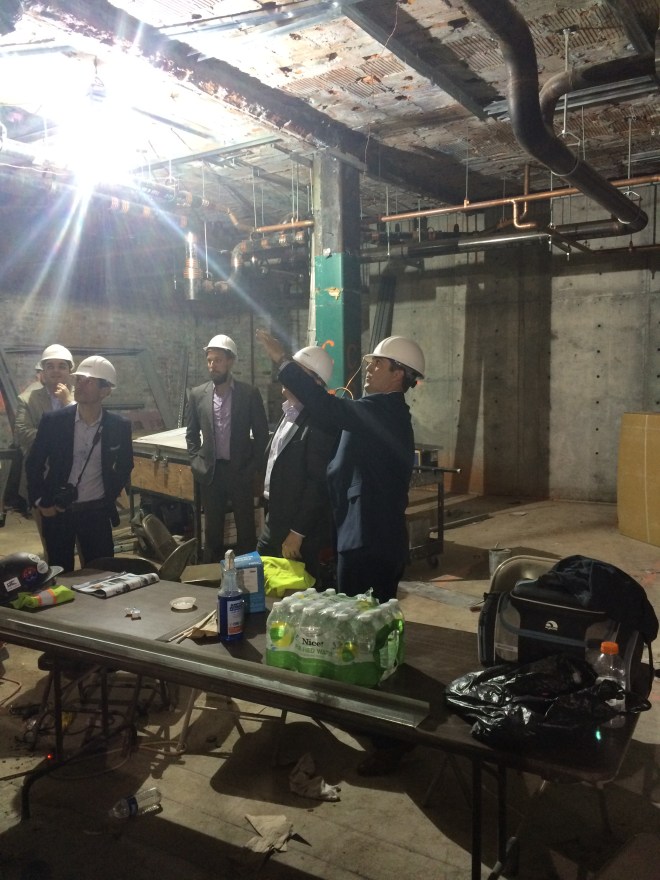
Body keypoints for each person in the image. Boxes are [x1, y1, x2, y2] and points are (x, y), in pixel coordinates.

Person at [257, 330, 424, 603]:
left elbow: (327, 407)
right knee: (357, 615)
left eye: (378, 363)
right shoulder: (376, 410)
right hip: (361, 539)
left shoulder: (383, 411)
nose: (369, 368)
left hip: (371, 544)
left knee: (362, 618)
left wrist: (283, 361)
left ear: (398, 374)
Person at [25, 356, 134, 573]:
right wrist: (41, 501)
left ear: (105, 391)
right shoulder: (54, 421)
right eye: (79, 379)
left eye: (89, 381)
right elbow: (34, 463)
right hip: (58, 512)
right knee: (59, 572)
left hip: (96, 513)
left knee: (103, 572)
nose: (80, 385)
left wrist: (108, 496)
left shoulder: (118, 426)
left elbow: (125, 465)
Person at [257, 346, 338, 582]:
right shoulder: (289, 412)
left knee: (295, 591)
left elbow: (317, 482)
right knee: (262, 580)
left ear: (315, 383)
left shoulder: (320, 422)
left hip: (298, 528)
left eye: (297, 372)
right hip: (275, 517)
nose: (288, 376)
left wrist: (297, 533)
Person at [186, 334, 269, 562]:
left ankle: (248, 576)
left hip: (240, 472)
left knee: (246, 531)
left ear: (230, 361)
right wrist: (196, 463)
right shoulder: (198, 395)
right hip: (211, 473)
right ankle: (211, 577)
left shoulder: (248, 394)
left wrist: (252, 468)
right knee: (212, 534)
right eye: (209, 360)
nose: (212, 365)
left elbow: (262, 436)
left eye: (218, 360)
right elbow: (191, 434)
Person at [13, 344, 75, 541]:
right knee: (51, 541)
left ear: (70, 370)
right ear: (43, 372)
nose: (56, 371)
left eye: (62, 366)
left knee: (83, 540)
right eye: (50, 366)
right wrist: (58, 441)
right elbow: (22, 433)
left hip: (77, 478)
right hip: (42, 477)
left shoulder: (81, 398)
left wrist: (68, 403)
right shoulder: (28, 400)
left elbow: (88, 432)